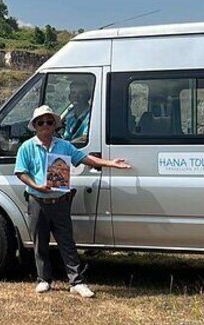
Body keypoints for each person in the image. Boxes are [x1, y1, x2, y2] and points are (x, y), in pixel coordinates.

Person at [15, 105, 132, 298]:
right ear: (35, 126)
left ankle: (76, 281)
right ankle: (43, 280)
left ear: (55, 125)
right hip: (37, 200)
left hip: (60, 201)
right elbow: (21, 172)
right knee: (40, 242)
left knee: (67, 242)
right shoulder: (26, 147)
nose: (45, 125)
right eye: (41, 122)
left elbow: (85, 159)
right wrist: (36, 186)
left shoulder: (64, 146)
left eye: (49, 122)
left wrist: (111, 163)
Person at [60, 79, 92, 144]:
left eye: (81, 93)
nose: (76, 96)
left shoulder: (91, 115)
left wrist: (67, 145)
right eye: (73, 93)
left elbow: (85, 138)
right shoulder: (69, 114)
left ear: (88, 96)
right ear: (69, 96)